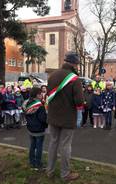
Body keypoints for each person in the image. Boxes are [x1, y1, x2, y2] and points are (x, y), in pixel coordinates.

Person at [46, 51, 84, 182]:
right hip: (67, 118)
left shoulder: (52, 75)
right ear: (74, 64)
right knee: (65, 146)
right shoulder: (74, 79)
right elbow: (79, 101)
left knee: (53, 143)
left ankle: (49, 171)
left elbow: (49, 95)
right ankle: (65, 174)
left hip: (53, 116)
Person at [23, 87, 47, 170]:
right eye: (41, 94)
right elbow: (43, 119)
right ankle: (38, 163)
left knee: (32, 145)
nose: (42, 95)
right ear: (37, 95)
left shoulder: (26, 103)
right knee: (39, 146)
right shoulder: (39, 106)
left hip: (30, 128)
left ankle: (32, 161)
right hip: (39, 129)